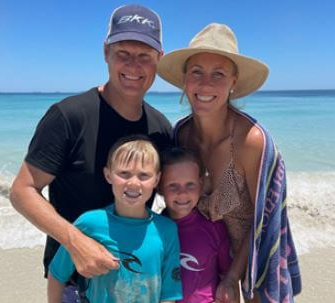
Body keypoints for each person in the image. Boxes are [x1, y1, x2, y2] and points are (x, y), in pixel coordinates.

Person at [9, 4, 172, 301]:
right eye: (123, 52)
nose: (133, 66)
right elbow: (23, 191)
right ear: (105, 52)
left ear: (158, 60)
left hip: (138, 287)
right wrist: (76, 242)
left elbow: (174, 200)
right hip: (74, 282)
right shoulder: (68, 116)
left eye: (144, 56)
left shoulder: (161, 129)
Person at [157, 23, 301, 302]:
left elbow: (264, 222)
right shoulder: (181, 134)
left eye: (218, 74)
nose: (205, 84)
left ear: (234, 83)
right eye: (196, 72)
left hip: (252, 263)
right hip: (201, 260)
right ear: (185, 80)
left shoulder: (251, 141)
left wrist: (233, 275)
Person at [47, 136, 182, 303]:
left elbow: (169, 294)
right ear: (108, 175)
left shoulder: (166, 230)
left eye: (143, 175)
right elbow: (58, 273)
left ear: (157, 179)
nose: (133, 183)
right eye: (124, 174)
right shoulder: (89, 223)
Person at [159, 147, 233, 303]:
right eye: (173, 185)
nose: (182, 193)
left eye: (190, 184)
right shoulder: (154, 230)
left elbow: (227, 277)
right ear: (159, 187)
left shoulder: (215, 228)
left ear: (201, 184)